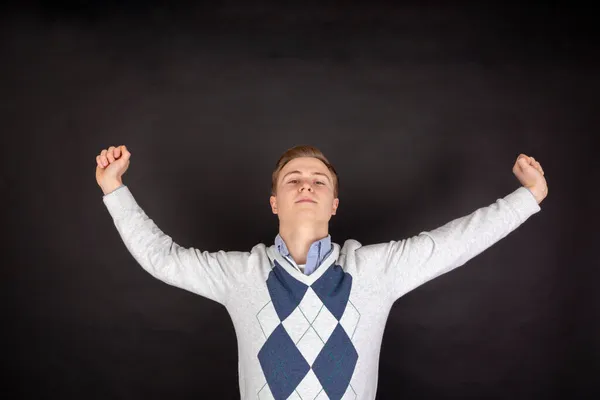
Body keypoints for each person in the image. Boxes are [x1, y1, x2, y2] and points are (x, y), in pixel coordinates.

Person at [96, 144, 547, 400]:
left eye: (318, 179)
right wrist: (113, 189)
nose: (306, 183)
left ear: (333, 204)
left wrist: (528, 197)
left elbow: (456, 242)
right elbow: (163, 258)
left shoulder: (375, 270)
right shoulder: (242, 275)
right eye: (293, 178)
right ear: (275, 203)